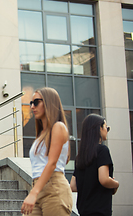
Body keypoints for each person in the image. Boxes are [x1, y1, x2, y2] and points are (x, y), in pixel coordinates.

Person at [21, 87, 72, 215]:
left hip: (54, 188)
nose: (32, 107)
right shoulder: (42, 134)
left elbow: (52, 163)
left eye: (36, 102)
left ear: (49, 102)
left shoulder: (58, 127)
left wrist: (33, 193)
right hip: (38, 186)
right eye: (31, 103)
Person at [70, 114, 119, 216]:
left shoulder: (80, 156)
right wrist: (115, 184)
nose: (107, 130)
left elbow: (73, 186)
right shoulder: (102, 150)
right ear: (99, 129)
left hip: (83, 210)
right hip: (100, 210)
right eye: (106, 127)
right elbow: (104, 179)